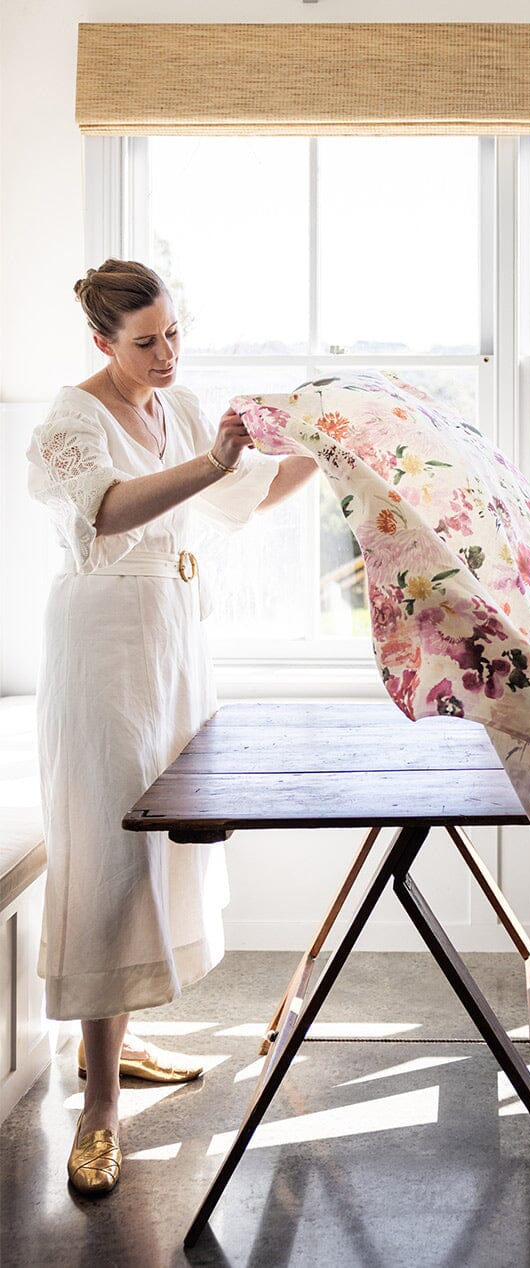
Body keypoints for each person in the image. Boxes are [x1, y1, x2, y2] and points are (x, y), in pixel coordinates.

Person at [26, 259, 318, 1196]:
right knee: (111, 852)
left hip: (176, 641)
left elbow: (249, 494)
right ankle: (101, 1111)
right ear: (102, 342)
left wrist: (336, 445)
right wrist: (215, 461)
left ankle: (115, 1049)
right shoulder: (71, 419)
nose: (166, 354)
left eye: (173, 334)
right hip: (103, 642)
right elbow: (109, 512)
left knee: (165, 846)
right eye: (144, 341)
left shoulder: (182, 408)